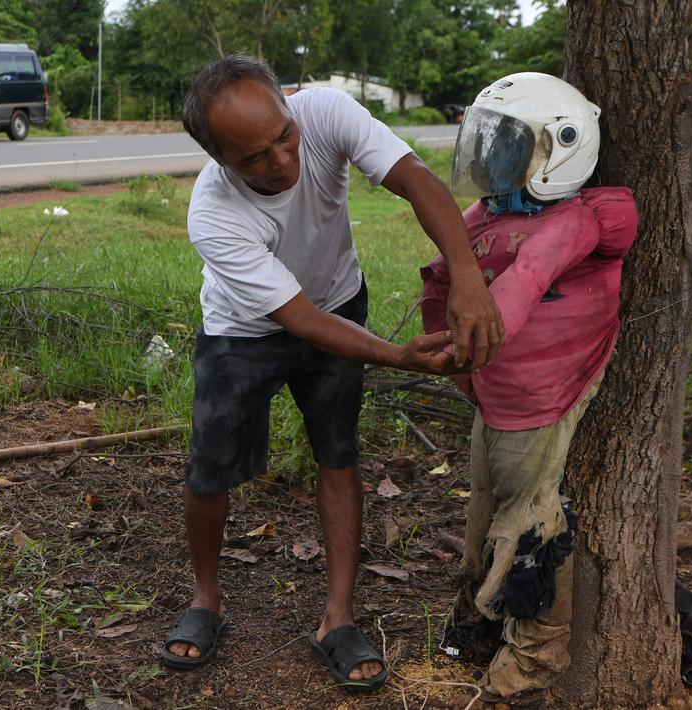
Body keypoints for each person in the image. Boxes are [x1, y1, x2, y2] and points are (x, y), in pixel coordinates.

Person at [160, 54, 504, 693]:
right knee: (209, 470)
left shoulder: (325, 111)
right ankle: (207, 598)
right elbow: (296, 318)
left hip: (339, 300)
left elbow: (419, 181)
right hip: (245, 330)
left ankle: (337, 620)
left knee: (338, 453)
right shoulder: (212, 214)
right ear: (216, 157)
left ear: (289, 104)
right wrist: (397, 354)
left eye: (284, 136)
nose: (283, 162)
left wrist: (467, 277)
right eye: (254, 157)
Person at [419, 72, 638, 706]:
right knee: (484, 509)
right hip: (496, 393)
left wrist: (477, 338)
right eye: (488, 142)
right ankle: (481, 622)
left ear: (559, 150)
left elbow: (532, 271)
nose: (492, 158)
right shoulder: (487, 213)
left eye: (510, 145)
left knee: (530, 522)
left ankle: (535, 660)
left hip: (543, 396)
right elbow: (441, 279)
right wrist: (457, 362)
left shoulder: (583, 218)